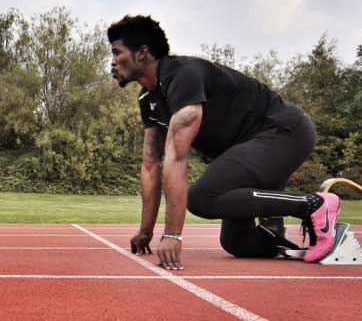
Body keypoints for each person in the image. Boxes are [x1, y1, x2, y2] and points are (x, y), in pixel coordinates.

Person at [107, 15, 340, 271]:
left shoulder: (182, 76)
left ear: (142, 53)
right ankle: (285, 244)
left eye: (117, 53)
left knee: (202, 199)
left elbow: (176, 159)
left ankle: (313, 205)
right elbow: (151, 165)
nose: (113, 62)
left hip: (283, 131)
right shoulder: (148, 99)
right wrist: (145, 230)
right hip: (245, 150)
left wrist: (172, 235)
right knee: (237, 242)